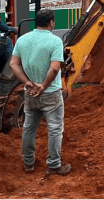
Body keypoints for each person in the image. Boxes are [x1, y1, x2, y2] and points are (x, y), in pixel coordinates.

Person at [10, 9, 71, 176]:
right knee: (55, 129)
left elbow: (14, 64)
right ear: (51, 22)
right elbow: (54, 68)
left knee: (29, 128)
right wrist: (43, 86)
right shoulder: (55, 41)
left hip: (30, 93)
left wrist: (27, 83)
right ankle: (54, 165)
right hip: (50, 93)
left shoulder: (22, 40)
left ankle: (28, 163)